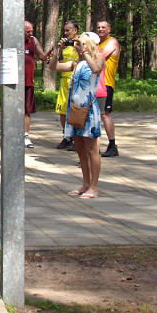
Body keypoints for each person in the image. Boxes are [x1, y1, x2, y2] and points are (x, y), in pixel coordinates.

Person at [49, 32, 106, 199]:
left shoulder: (98, 60)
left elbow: (96, 69)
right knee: (80, 149)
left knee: (91, 149)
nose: (77, 44)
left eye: (81, 42)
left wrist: (85, 52)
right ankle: (85, 184)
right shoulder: (77, 63)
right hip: (74, 110)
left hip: (88, 111)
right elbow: (54, 67)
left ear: (89, 45)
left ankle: (94, 187)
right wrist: (58, 51)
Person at [0, 21, 47, 148]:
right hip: (12, 82)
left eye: (31, 31)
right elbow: (1, 58)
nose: (31, 33)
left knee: (27, 110)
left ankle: (25, 135)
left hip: (28, 82)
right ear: (20, 31)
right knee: (10, 109)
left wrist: (51, 54)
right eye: (28, 31)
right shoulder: (11, 40)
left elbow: (42, 56)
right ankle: (10, 135)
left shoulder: (33, 41)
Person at [96, 20, 121, 157]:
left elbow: (100, 56)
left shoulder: (112, 42)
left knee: (105, 114)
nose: (100, 29)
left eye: (103, 27)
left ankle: (112, 145)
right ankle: (93, 144)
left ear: (109, 29)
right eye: (98, 27)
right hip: (97, 83)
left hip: (106, 83)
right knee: (95, 114)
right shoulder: (98, 43)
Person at [54, 21, 80, 151]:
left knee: (74, 110)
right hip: (64, 80)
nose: (66, 33)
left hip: (75, 80)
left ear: (75, 30)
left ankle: (77, 137)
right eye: (64, 30)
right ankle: (67, 135)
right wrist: (60, 49)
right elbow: (59, 61)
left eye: (68, 30)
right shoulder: (66, 45)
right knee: (62, 110)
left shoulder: (80, 43)